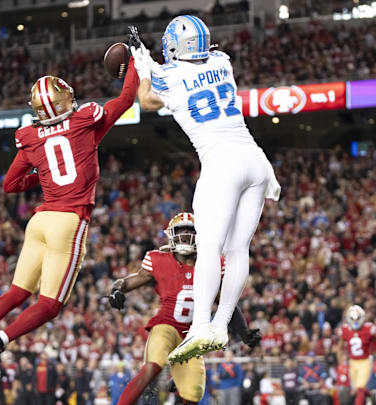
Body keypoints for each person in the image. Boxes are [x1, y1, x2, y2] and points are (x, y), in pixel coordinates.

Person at [0, 49, 140, 386]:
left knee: (16, 292)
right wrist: (137, 59)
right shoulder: (85, 123)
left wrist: (43, 173)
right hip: (69, 221)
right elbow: (126, 96)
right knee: (50, 304)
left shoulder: (31, 138)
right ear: (63, 100)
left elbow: (10, 185)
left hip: (40, 221)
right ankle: (0, 340)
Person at [130, 16, 281, 363]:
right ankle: (221, 323)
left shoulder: (168, 75)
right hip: (255, 160)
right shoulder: (222, 62)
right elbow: (194, 68)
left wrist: (142, 65)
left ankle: (201, 326)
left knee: (210, 247)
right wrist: (150, 62)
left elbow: (147, 101)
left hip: (221, 163)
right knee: (238, 249)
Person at [108, 213, 260, 404]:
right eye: (181, 231)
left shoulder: (211, 265)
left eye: (191, 231)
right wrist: (115, 290)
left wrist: (243, 331)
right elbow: (127, 281)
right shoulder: (159, 260)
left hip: (192, 336)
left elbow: (226, 303)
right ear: (172, 235)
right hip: (165, 326)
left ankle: (178, 385)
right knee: (152, 367)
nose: (186, 236)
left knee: (193, 395)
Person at [338, 305, 376, 405]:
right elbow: (339, 348)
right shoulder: (345, 330)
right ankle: (372, 396)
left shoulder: (369, 328)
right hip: (352, 362)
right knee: (356, 390)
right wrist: (341, 364)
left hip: (365, 361)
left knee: (360, 389)